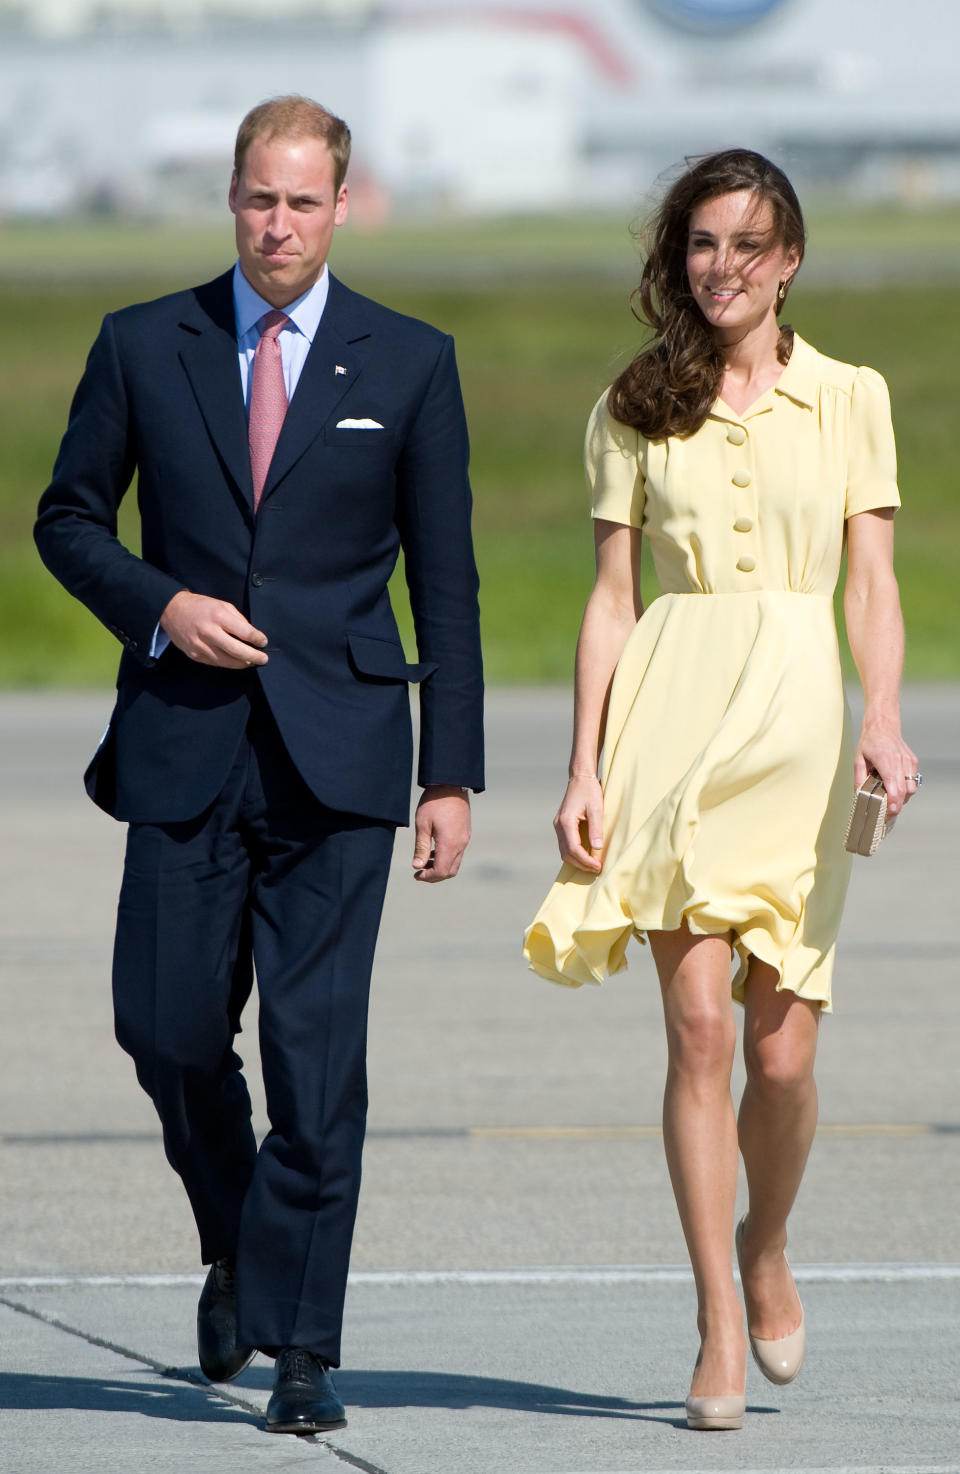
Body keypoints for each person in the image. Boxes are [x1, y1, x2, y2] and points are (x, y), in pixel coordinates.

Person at [35, 95, 483, 1435]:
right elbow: (66, 519)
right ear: (230, 200)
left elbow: (448, 586)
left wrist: (447, 771)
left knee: (315, 1055)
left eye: (301, 201)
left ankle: (304, 1348)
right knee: (164, 1030)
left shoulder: (408, 362)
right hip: (184, 741)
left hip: (342, 758)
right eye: (256, 199)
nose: (277, 224)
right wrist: (159, 603)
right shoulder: (142, 344)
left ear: (344, 206)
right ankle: (240, 1241)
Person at [523, 149, 918, 1432]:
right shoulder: (632, 404)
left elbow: (871, 583)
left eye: (750, 245)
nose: (724, 267)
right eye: (702, 243)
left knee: (782, 1052)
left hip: (803, 726)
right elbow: (609, 601)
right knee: (698, 1031)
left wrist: (888, 716)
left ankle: (769, 1243)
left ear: (791, 260)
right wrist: (584, 762)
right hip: (671, 721)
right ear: (676, 260)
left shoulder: (852, 395)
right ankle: (712, 1322)